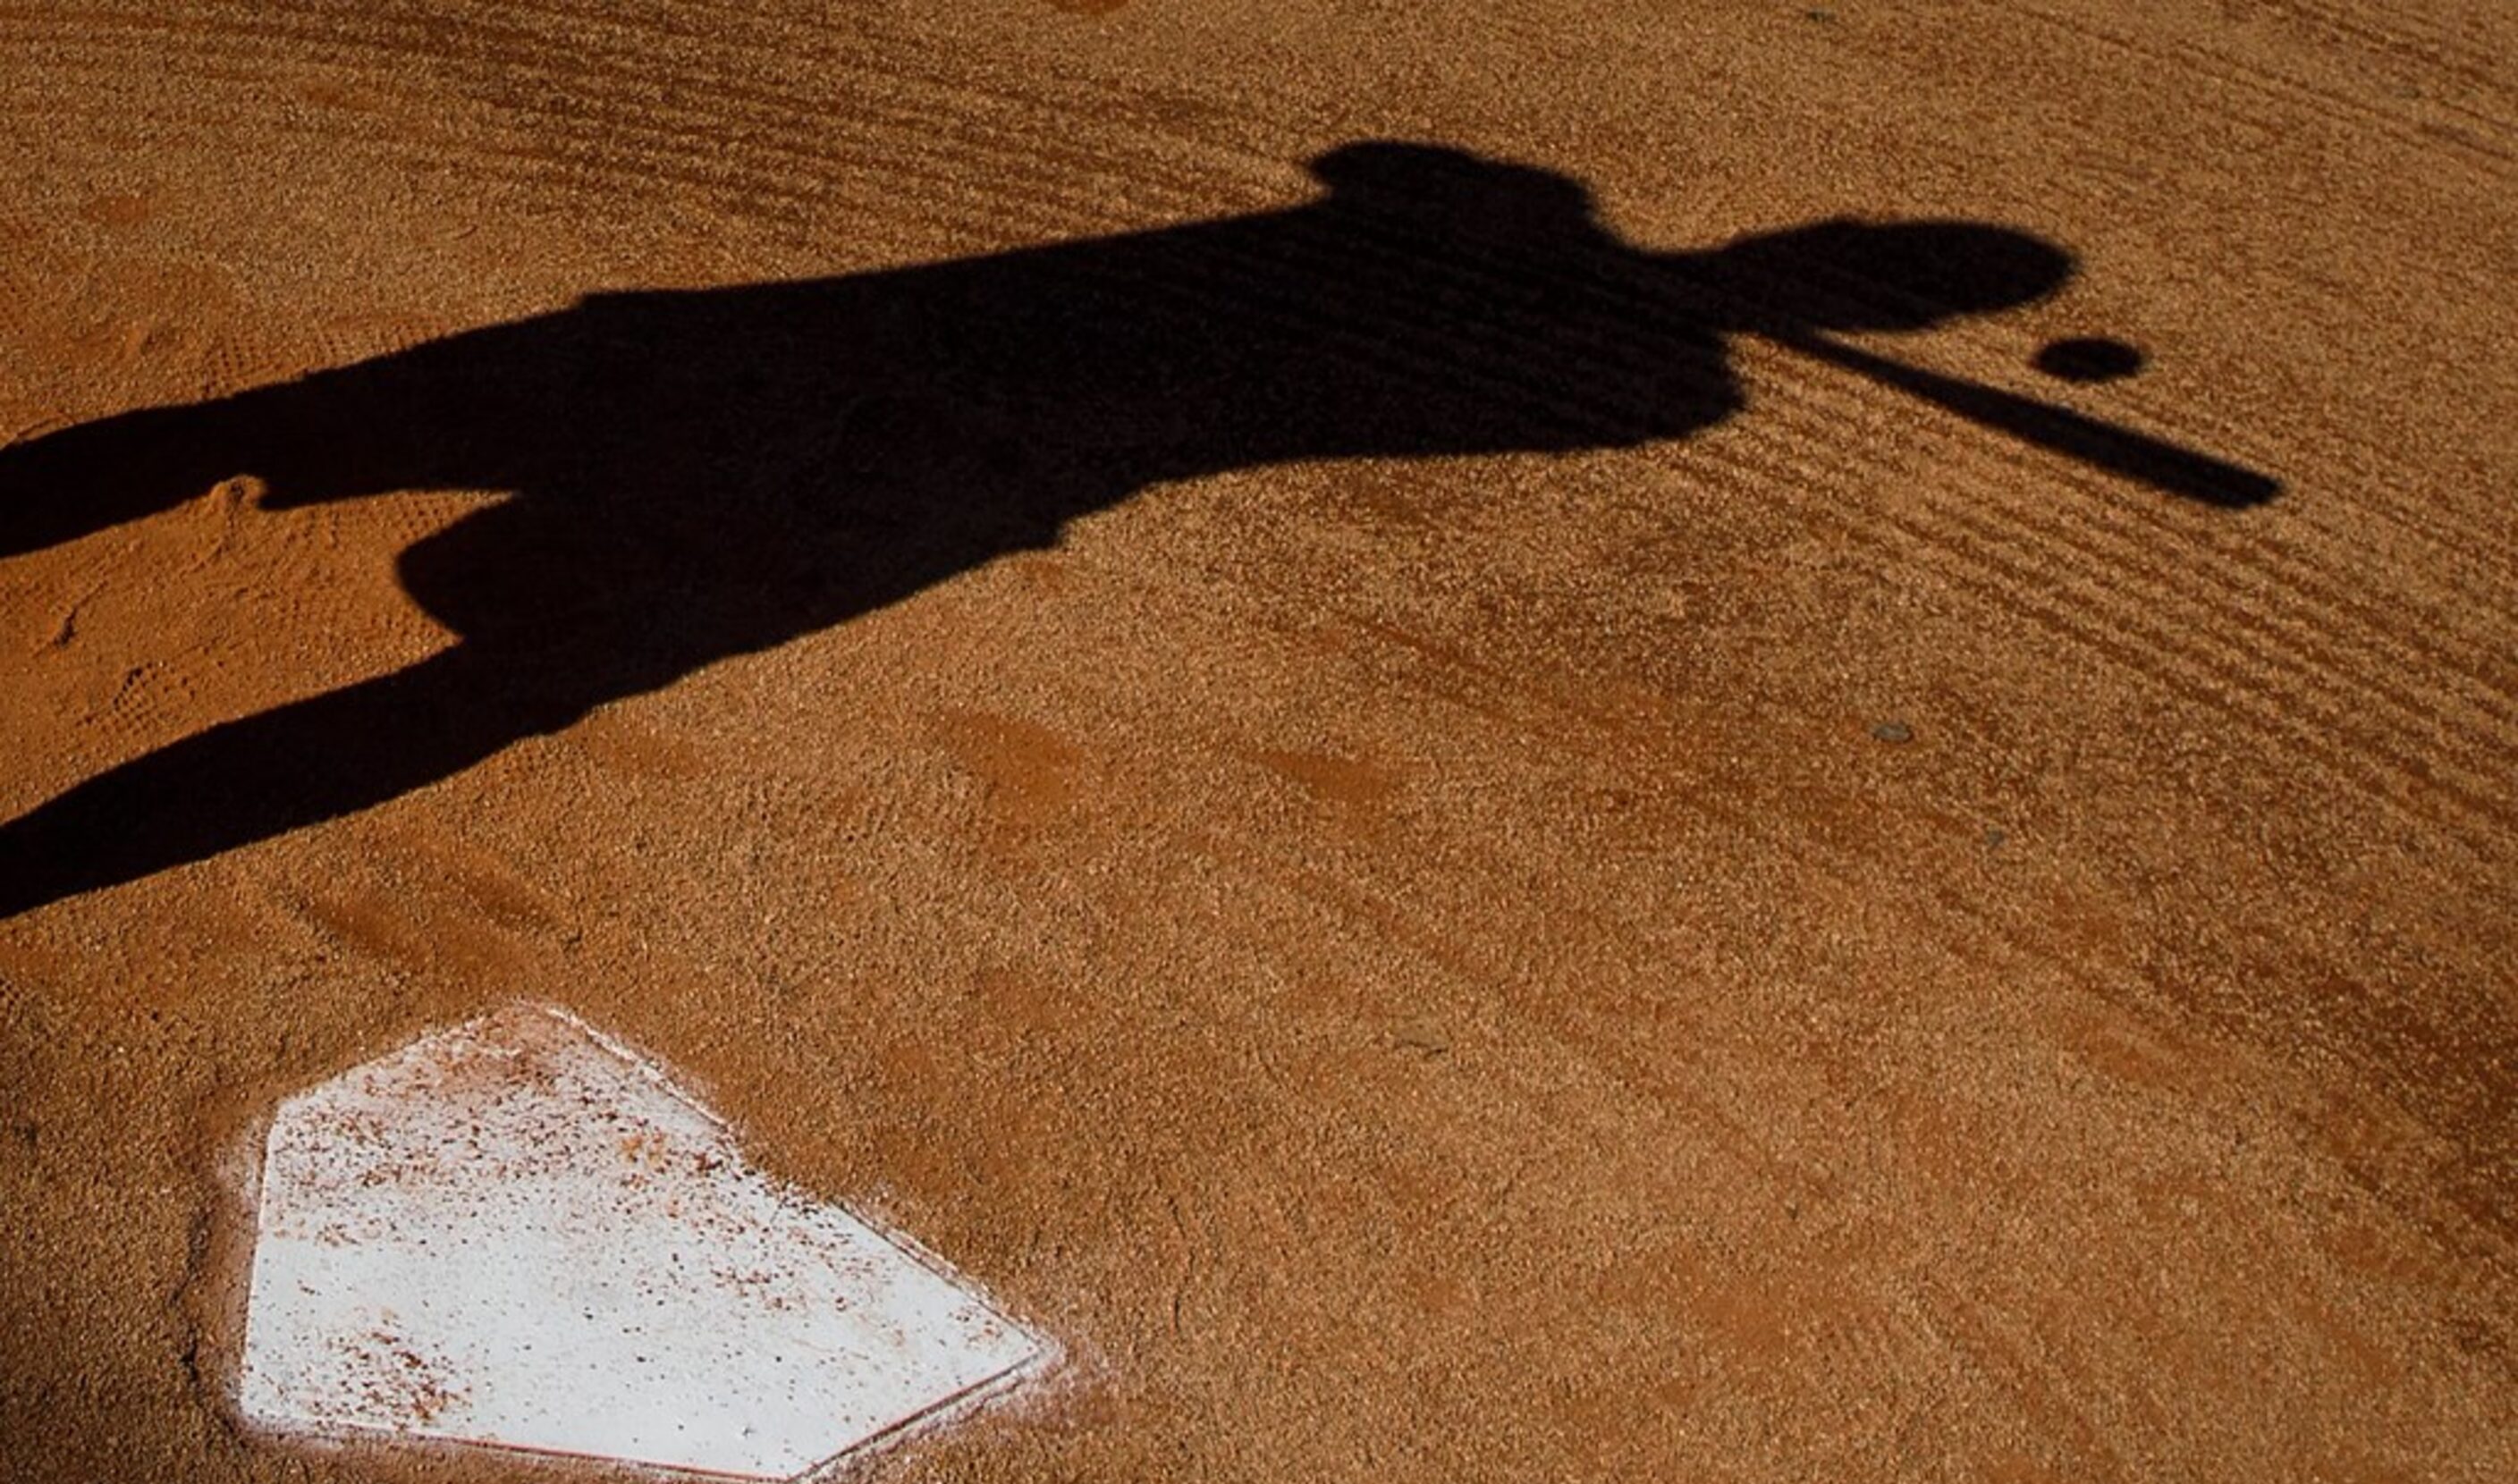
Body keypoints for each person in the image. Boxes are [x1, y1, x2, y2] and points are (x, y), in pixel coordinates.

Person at [0, 143, 2260, 916]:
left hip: (844, 428)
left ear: (1844, 265)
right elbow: (1382, 167)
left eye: (1870, 253)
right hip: (834, 416)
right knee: (349, 532)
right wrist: (1576, 250)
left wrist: (1574, 255)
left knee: (461, 635)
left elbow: (1385, 187)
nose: (1838, 243)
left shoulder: (1640, 370)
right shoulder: (1625, 342)